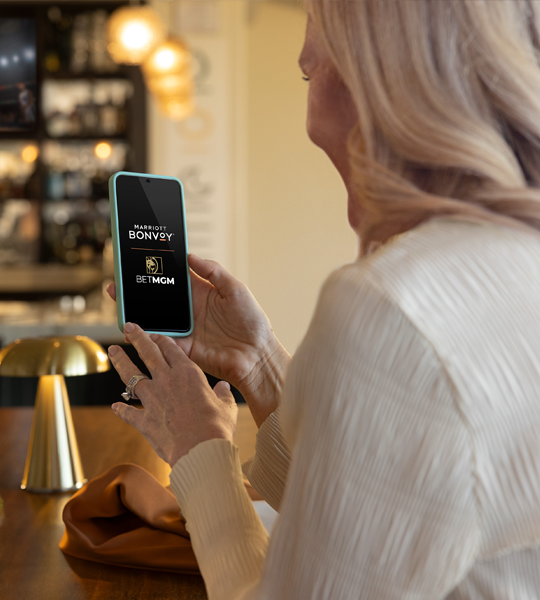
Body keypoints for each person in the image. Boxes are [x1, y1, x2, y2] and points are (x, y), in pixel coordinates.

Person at [106, 1, 540, 598]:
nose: (310, 122)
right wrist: (260, 365)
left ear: (379, 83)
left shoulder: (394, 308)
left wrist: (199, 449)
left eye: (309, 75)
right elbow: (382, 517)